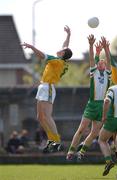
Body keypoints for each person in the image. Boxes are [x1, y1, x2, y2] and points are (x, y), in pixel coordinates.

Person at [21, 25, 72, 153]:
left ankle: (57, 141)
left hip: (48, 87)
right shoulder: (61, 60)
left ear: (63, 54)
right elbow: (66, 48)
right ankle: (52, 141)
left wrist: (32, 47)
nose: (60, 48)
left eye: (62, 49)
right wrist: (68, 35)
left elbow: (41, 55)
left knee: (47, 116)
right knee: (40, 117)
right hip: (43, 87)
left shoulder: (57, 61)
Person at [66, 34, 111, 160]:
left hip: (102, 106)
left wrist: (107, 48)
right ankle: (71, 151)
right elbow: (92, 58)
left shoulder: (107, 73)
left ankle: (82, 152)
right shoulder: (94, 71)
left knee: (94, 133)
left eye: (104, 62)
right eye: (100, 61)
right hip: (92, 104)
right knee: (81, 129)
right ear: (97, 65)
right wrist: (91, 46)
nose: (102, 62)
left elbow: (109, 59)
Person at [98, 71, 117, 178]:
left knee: (102, 140)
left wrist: (104, 116)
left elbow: (106, 101)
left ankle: (109, 161)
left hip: (113, 119)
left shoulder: (113, 88)